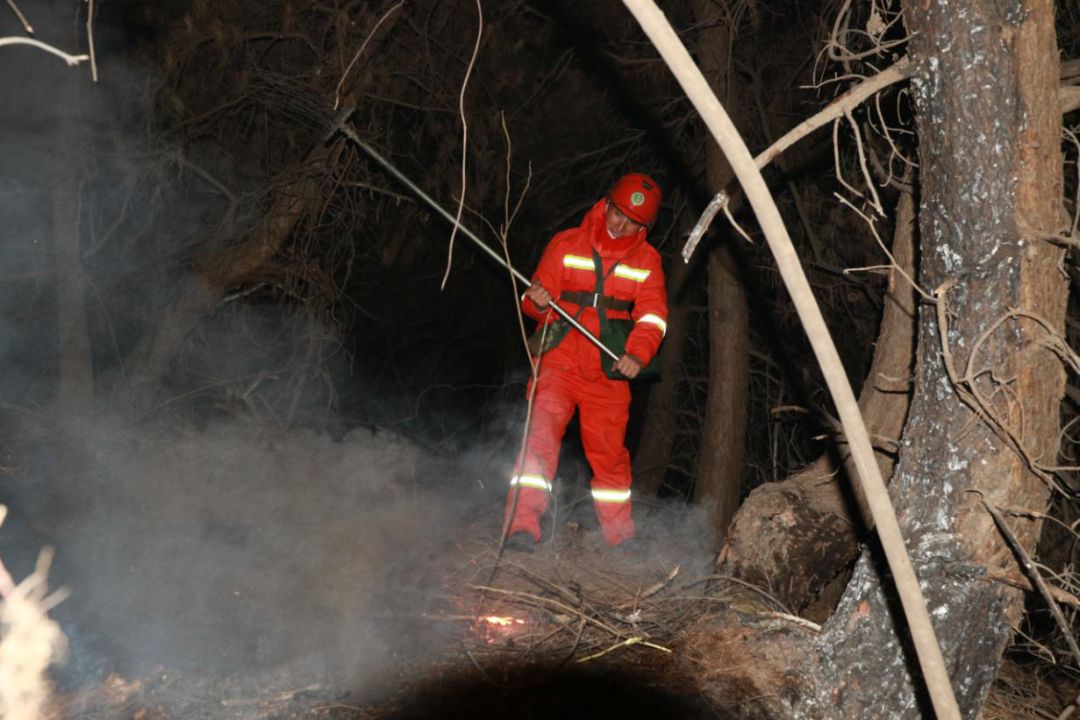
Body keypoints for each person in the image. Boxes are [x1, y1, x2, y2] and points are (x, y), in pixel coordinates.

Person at [504, 173, 668, 552]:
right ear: (606, 204)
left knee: (610, 456)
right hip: (558, 361)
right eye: (618, 213)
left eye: (632, 221)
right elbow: (531, 302)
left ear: (644, 227)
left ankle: (621, 537)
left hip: (608, 369)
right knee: (539, 442)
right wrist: (537, 301)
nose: (620, 224)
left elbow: (653, 317)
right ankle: (521, 527)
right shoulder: (566, 243)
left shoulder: (648, 261)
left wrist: (638, 355)